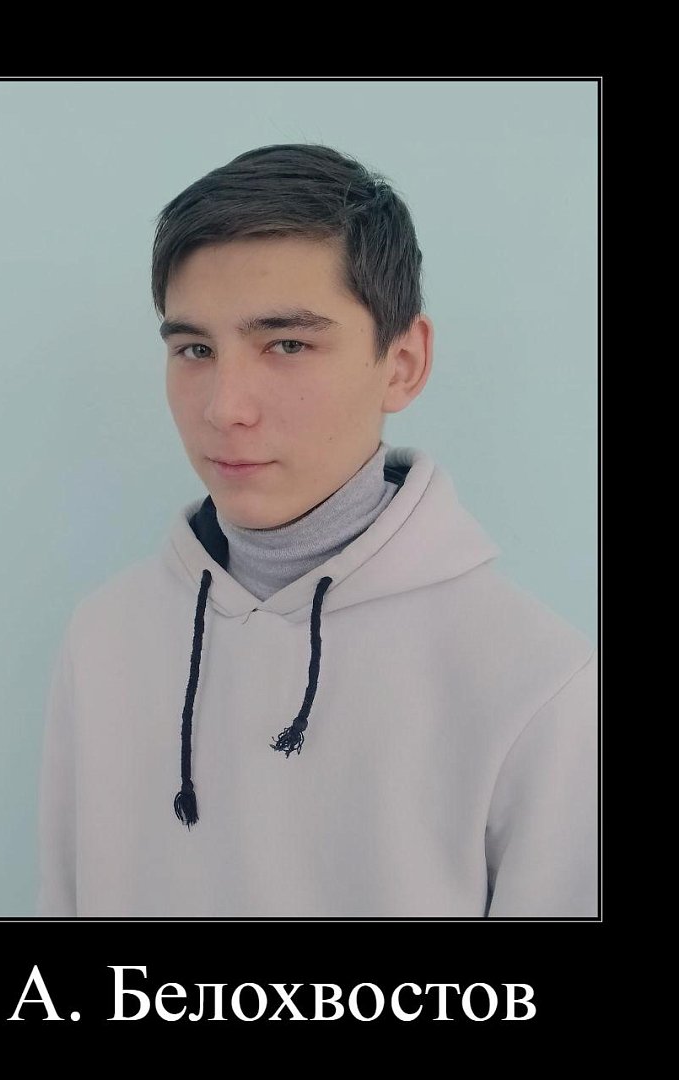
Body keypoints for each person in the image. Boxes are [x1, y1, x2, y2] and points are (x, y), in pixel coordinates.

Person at [37, 143, 597, 919]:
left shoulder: (536, 681)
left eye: (287, 345)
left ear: (402, 363)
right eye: (195, 349)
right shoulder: (104, 635)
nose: (224, 407)